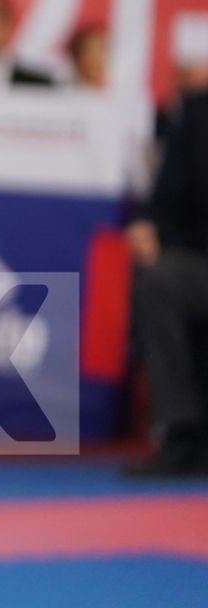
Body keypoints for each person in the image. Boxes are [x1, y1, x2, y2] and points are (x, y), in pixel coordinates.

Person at [125, 84, 208, 476]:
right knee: (158, 280)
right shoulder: (195, 110)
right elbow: (164, 196)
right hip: (200, 263)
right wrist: (147, 226)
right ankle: (182, 432)